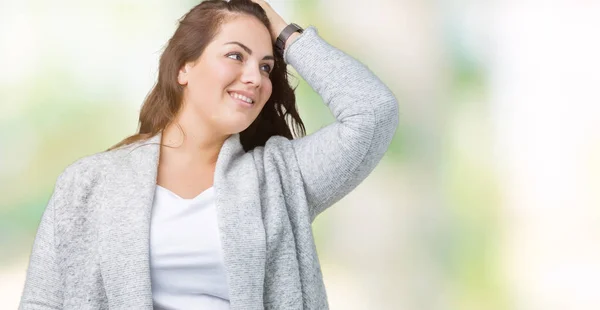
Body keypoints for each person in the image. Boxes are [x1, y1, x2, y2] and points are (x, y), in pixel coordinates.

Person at [19, 0, 399, 309]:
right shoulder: (91, 183)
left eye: (266, 66)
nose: (256, 77)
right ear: (185, 66)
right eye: (236, 56)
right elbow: (42, 302)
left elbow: (372, 112)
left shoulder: (282, 178)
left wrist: (282, 30)